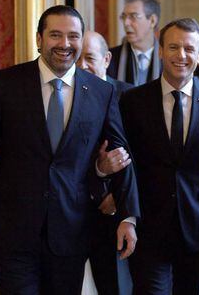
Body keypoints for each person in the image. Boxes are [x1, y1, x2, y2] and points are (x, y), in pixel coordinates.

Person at [0, 5, 140, 295]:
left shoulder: (101, 92)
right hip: (12, 229)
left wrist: (128, 217)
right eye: (55, 35)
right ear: (39, 39)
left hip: (71, 231)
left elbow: (120, 156)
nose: (64, 44)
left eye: (73, 36)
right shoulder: (5, 84)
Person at [117, 18, 199, 294]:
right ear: (160, 50)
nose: (181, 55)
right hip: (148, 224)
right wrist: (126, 217)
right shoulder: (133, 101)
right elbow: (129, 166)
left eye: (189, 49)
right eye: (173, 47)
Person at [77, 31, 134, 295]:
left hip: (116, 214)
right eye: (77, 58)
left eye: (89, 58)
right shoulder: (65, 94)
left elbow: (140, 159)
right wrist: (100, 173)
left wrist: (118, 198)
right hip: (72, 211)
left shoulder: (130, 97)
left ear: (107, 59)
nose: (82, 66)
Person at [107, 0, 161, 85]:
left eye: (133, 16)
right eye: (124, 17)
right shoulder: (110, 58)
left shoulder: (167, 58)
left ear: (152, 21)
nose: (126, 23)